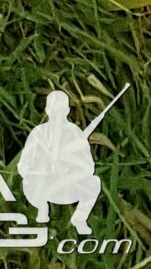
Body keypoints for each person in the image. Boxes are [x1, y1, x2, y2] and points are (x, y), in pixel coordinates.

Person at [18, 90, 102, 233]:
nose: (57, 115)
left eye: (61, 110)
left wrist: (69, 159)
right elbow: (23, 165)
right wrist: (38, 170)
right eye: (54, 110)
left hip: (68, 187)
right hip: (41, 185)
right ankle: (42, 209)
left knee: (94, 183)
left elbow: (89, 167)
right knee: (30, 183)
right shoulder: (39, 133)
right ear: (47, 110)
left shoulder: (75, 133)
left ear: (67, 110)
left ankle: (80, 219)